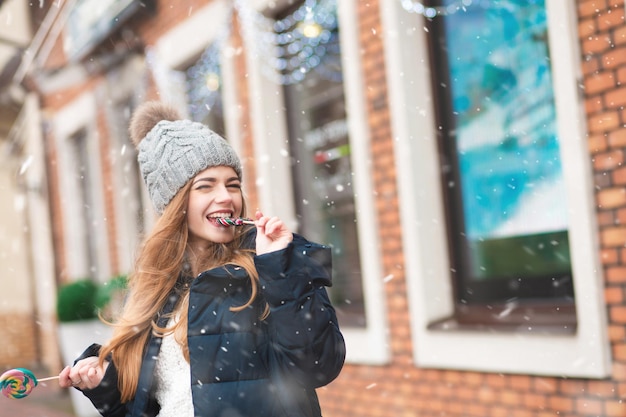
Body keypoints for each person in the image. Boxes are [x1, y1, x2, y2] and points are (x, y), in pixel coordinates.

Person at [58, 101, 346, 417]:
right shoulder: (156, 289)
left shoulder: (272, 263)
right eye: (205, 186)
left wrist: (280, 268)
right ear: (175, 204)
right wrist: (108, 390)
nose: (226, 196)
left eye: (232, 184)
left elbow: (317, 365)